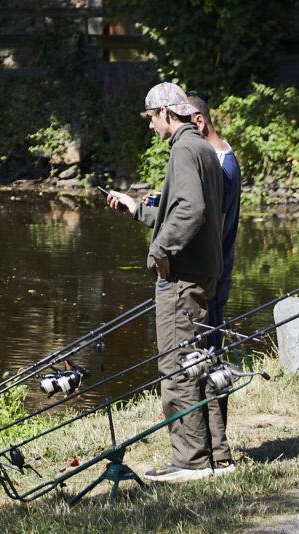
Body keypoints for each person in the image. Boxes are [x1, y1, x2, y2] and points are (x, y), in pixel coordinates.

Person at [97, 81, 233, 481]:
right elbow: (191, 209)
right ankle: (214, 455)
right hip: (204, 273)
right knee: (201, 363)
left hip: (183, 280)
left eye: (152, 118)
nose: (151, 126)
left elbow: (189, 211)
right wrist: (138, 209)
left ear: (168, 114)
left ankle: (189, 461)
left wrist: (160, 252)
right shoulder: (206, 149)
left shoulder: (184, 151)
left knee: (177, 367)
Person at [187, 94, 239, 455]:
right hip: (216, 270)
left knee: (210, 359)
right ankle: (210, 446)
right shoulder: (223, 159)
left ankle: (218, 450)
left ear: (199, 123)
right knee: (205, 355)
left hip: (214, 273)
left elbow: (215, 225)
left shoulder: (220, 165)